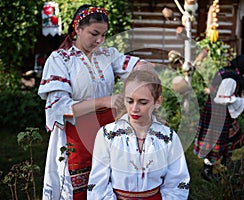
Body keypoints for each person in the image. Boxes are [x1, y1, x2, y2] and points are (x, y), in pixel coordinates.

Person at [38, 4, 152, 200]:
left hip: (106, 133)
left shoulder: (107, 55)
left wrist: (142, 73)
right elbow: (60, 108)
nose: (100, 40)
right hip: (74, 135)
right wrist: (105, 101)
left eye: (104, 35)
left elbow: (141, 66)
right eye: (94, 33)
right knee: (76, 189)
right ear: (77, 29)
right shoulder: (61, 59)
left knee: (107, 186)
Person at [87, 70, 190, 199]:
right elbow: (97, 185)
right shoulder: (107, 135)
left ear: (157, 102)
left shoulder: (168, 137)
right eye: (129, 101)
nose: (134, 108)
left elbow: (178, 183)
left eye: (143, 102)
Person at [193, 54, 244, 182]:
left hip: (217, 110)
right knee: (214, 140)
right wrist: (240, 102)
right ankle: (207, 171)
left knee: (231, 135)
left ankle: (225, 162)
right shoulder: (231, 78)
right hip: (218, 112)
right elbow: (222, 98)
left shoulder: (228, 71)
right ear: (243, 65)